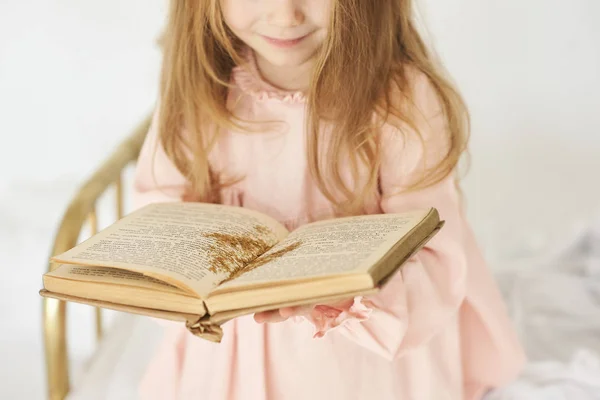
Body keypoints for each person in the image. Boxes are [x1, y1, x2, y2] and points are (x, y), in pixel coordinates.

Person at [132, 0, 526, 398]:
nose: (286, 15)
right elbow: (158, 213)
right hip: (235, 353)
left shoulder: (400, 99)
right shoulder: (199, 91)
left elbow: (434, 254)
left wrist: (345, 296)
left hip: (360, 360)